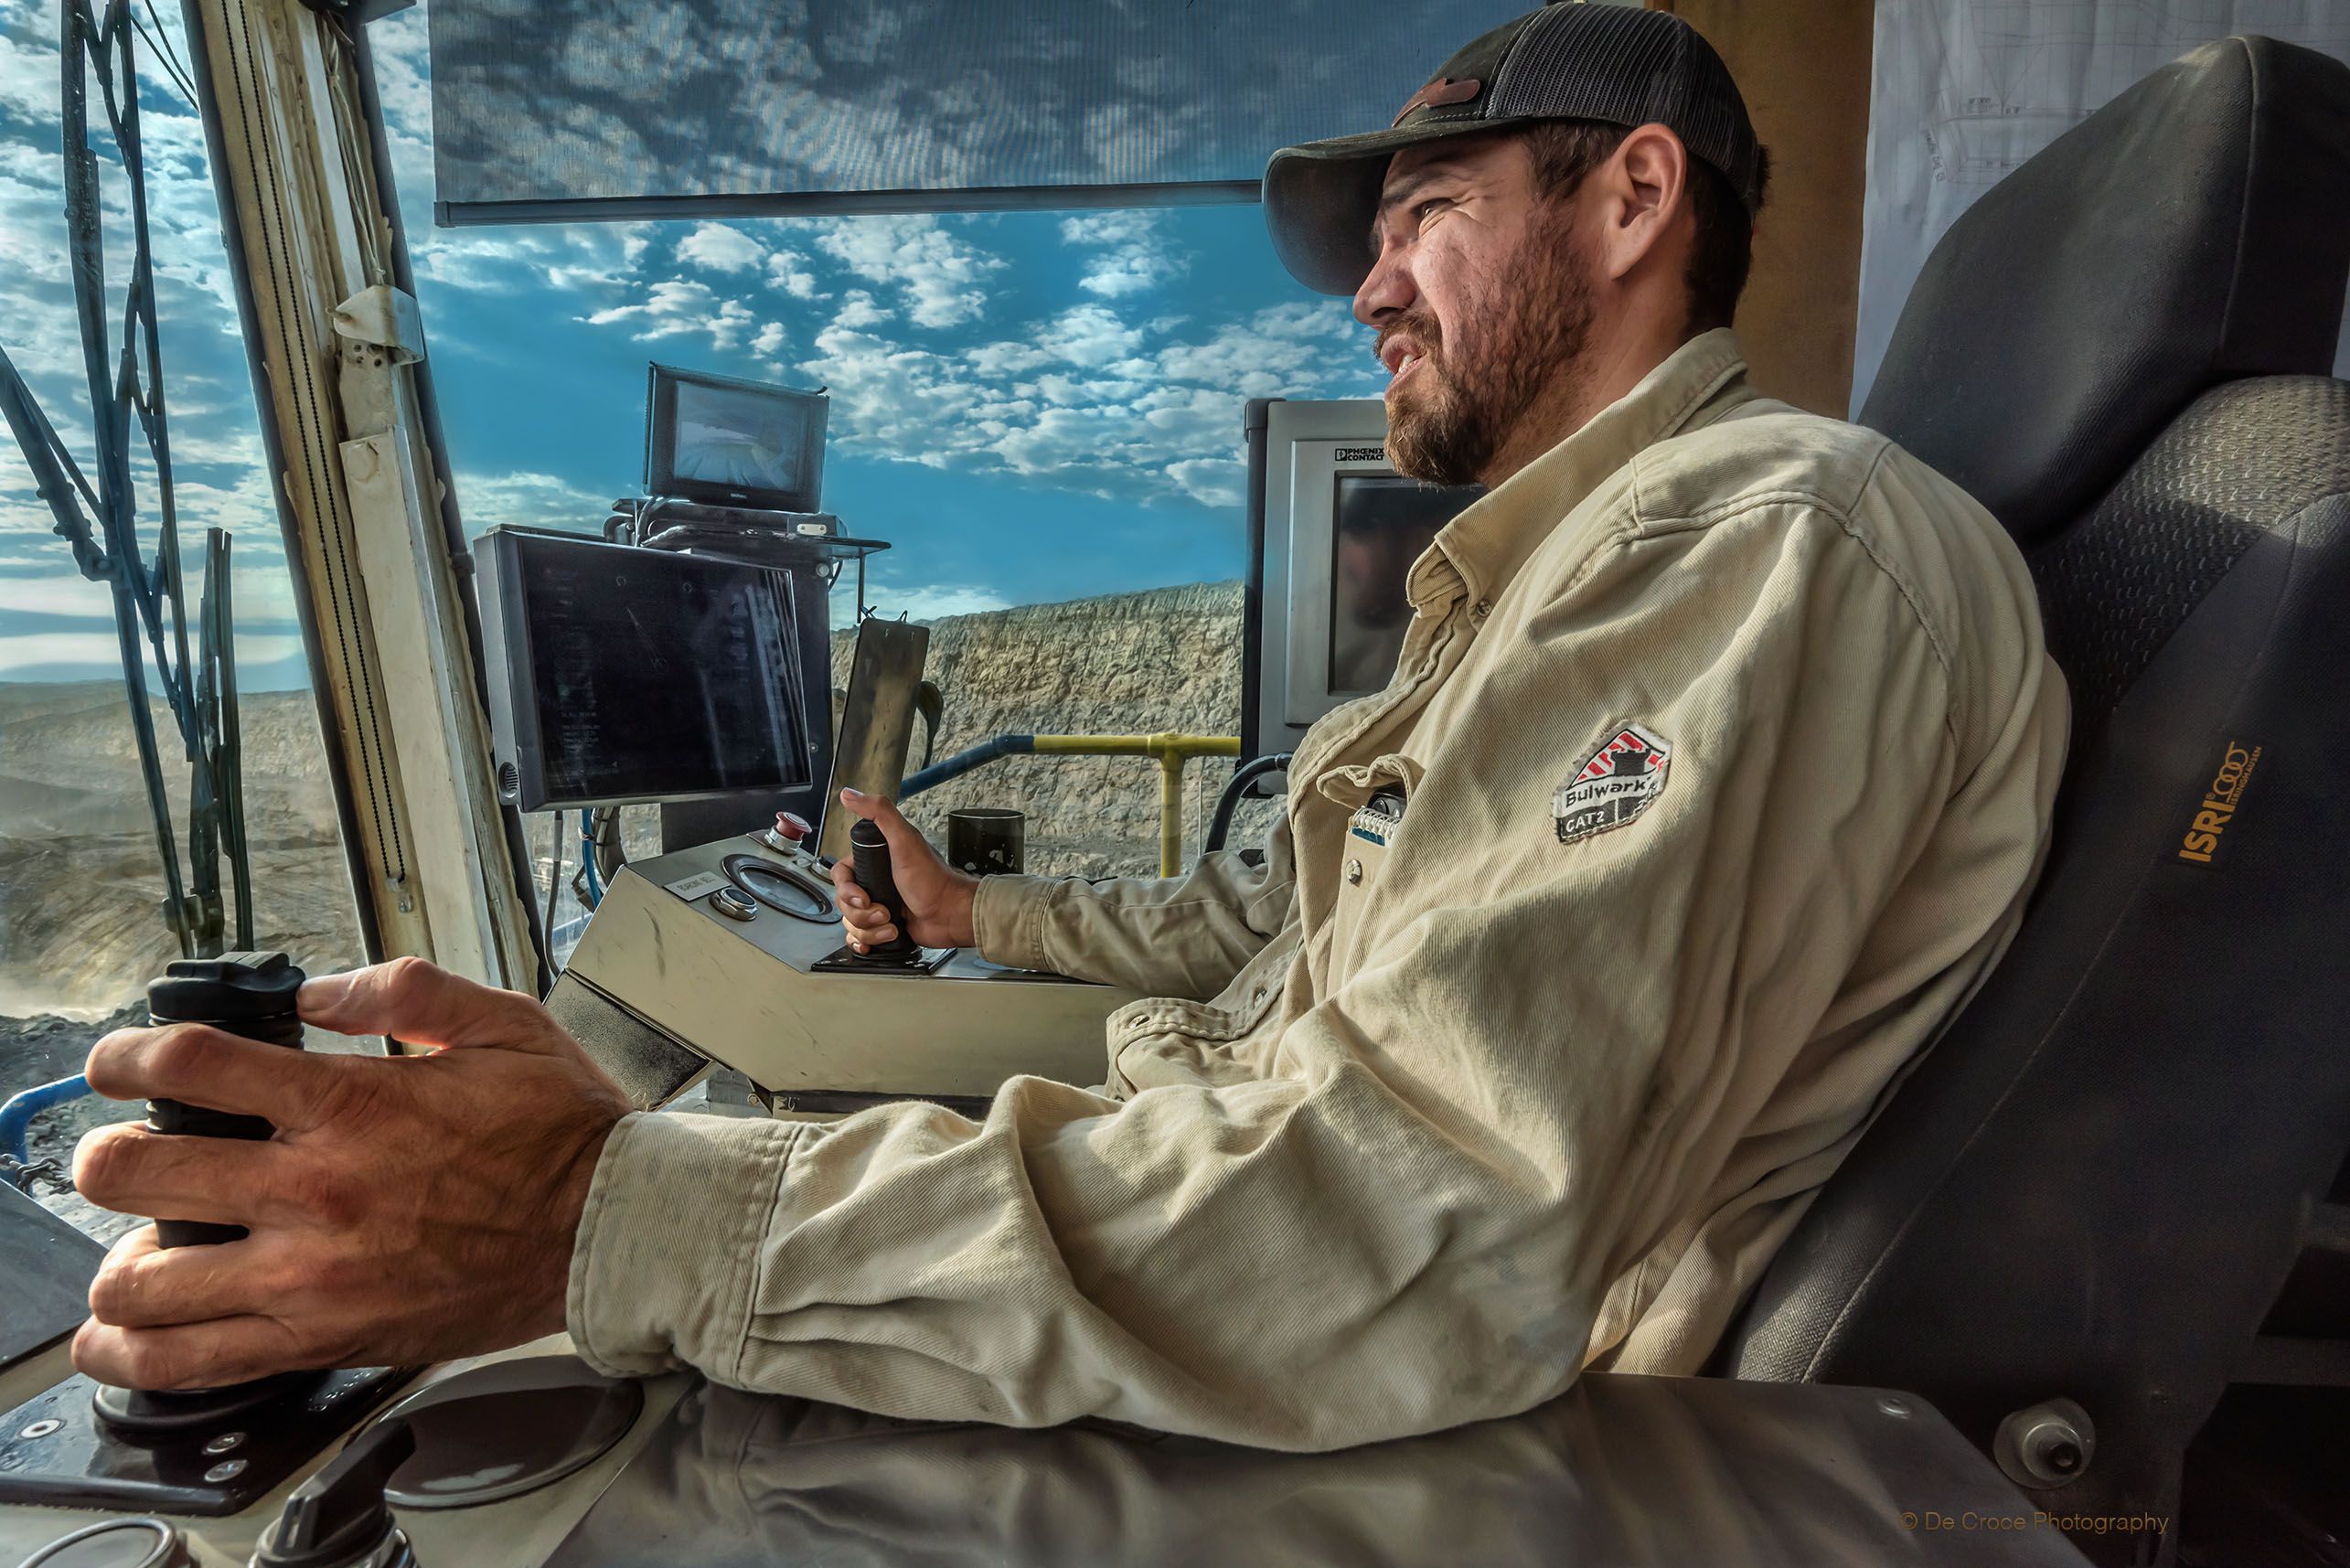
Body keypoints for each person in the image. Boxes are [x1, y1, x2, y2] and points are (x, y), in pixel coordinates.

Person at [69, 6, 2067, 1451]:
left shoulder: (1755, 549)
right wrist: (983, 920)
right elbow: (1272, 945)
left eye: (1425, 213)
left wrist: (602, 1211)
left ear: (1634, 197)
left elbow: (1407, 1219)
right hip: (1329, 1289)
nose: (1367, 286)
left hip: (1485, 1434)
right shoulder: (1551, 583)